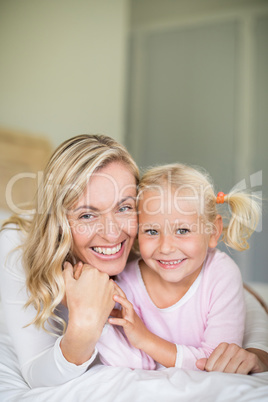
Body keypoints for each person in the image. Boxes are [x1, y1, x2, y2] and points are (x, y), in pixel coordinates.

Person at [0, 136, 267, 389]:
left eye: (124, 207)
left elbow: (228, 291)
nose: (112, 233)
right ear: (59, 222)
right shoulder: (17, 247)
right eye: (87, 215)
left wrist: (257, 353)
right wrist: (84, 326)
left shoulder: (153, 244)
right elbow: (37, 374)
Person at [97, 163, 267, 372]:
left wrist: (145, 339)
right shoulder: (126, 282)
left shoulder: (221, 274)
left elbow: (217, 362)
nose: (166, 247)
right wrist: (97, 316)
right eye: (151, 231)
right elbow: (134, 362)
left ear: (213, 232)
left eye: (183, 230)